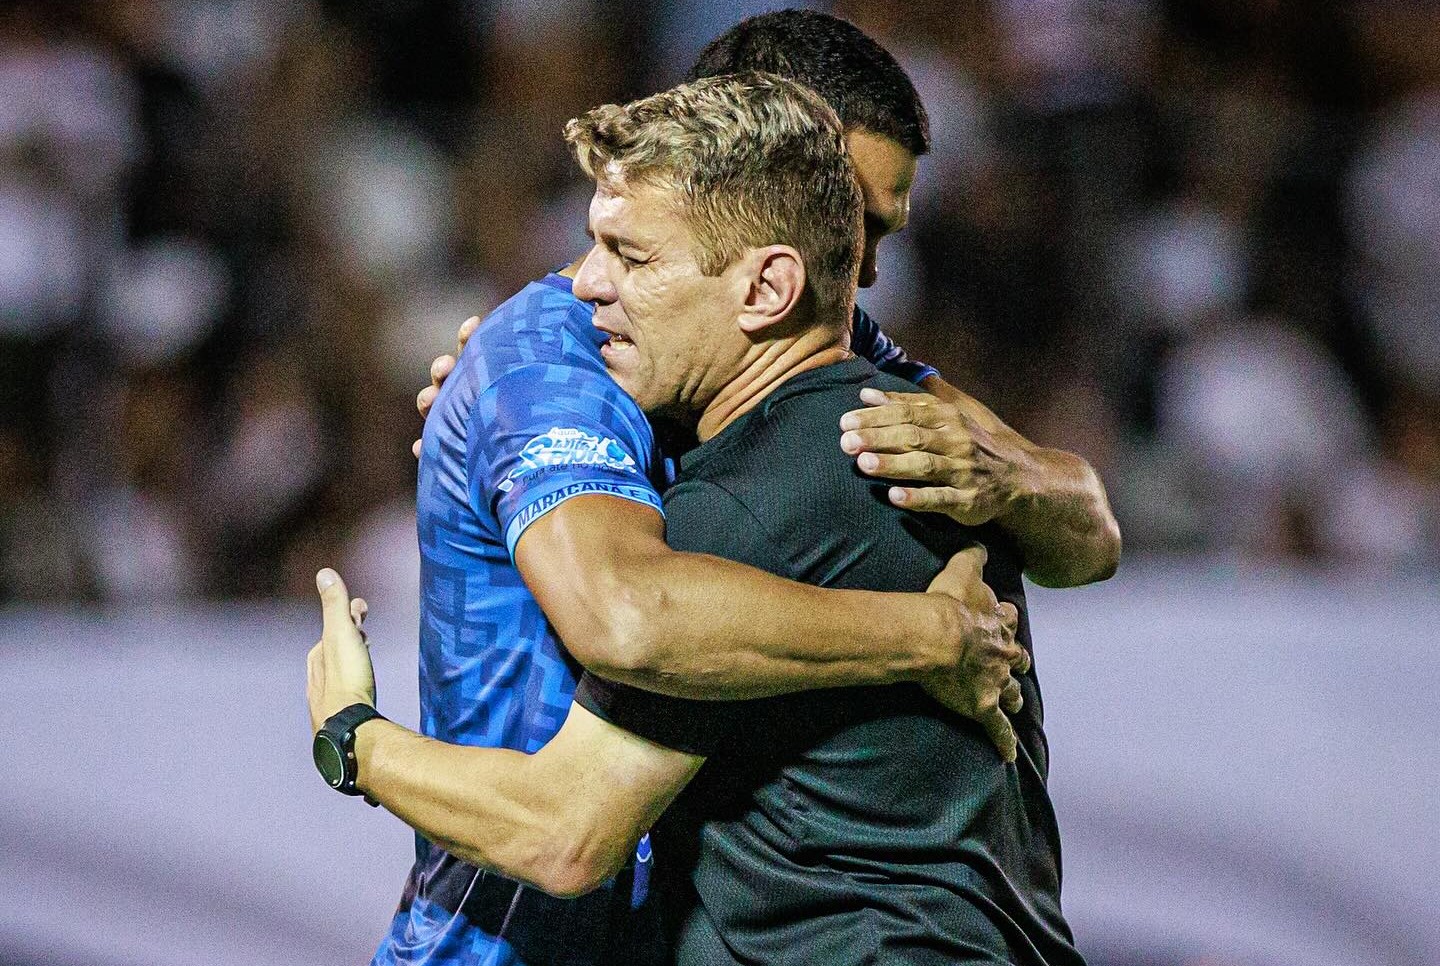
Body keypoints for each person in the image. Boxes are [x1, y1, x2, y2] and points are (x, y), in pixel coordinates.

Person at [311, 13, 1116, 966]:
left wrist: (1012, 474)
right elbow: (627, 617)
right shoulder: (566, 362)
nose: (859, 264)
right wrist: (924, 635)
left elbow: (1093, 537)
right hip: (508, 943)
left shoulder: (850, 401)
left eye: (867, 228)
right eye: (846, 210)